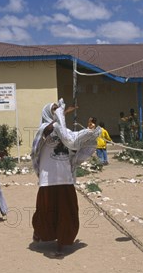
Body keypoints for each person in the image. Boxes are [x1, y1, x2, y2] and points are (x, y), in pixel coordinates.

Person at [31, 99, 101, 257]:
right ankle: (40, 233)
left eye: (57, 109)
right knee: (45, 211)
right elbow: (49, 130)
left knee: (67, 212)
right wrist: (60, 115)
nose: (57, 111)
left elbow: (73, 140)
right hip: (48, 179)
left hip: (65, 178)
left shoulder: (63, 130)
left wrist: (90, 131)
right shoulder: (45, 128)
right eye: (54, 109)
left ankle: (62, 243)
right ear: (48, 113)